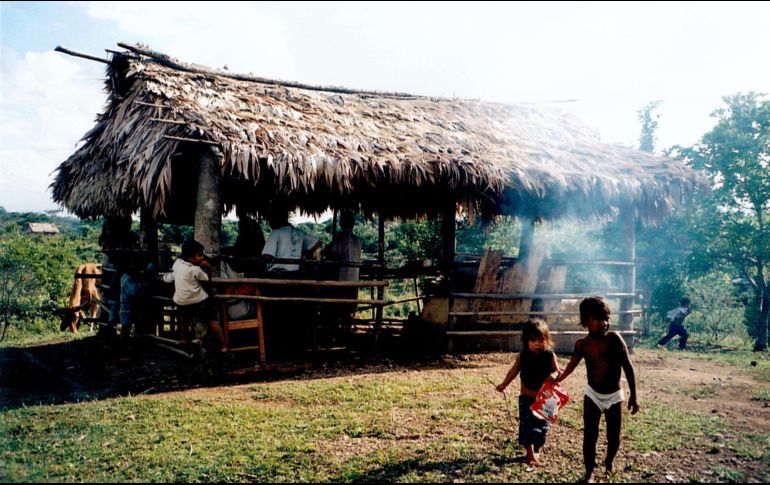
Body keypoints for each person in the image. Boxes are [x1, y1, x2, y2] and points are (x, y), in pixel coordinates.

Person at [555, 296, 639, 483]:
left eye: (607, 318)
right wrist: (558, 379)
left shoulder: (614, 339)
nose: (604, 323)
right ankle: (589, 472)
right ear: (586, 322)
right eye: (599, 319)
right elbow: (571, 366)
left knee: (614, 437)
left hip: (614, 396)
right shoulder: (582, 345)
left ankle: (609, 462)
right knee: (590, 435)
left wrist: (634, 395)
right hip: (592, 395)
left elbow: (628, 366)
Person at [496, 319, 560, 465]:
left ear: (547, 340)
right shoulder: (523, 356)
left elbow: (557, 371)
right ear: (526, 341)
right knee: (527, 426)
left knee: (543, 427)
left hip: (545, 400)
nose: (538, 343)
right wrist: (504, 384)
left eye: (541, 339)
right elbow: (513, 371)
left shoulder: (549, 355)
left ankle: (537, 449)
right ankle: (530, 454)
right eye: (533, 340)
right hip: (527, 397)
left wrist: (553, 376)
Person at [162, 240, 228, 352]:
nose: (202, 258)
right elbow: (207, 280)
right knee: (212, 321)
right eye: (200, 255)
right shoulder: (196, 269)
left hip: (182, 301)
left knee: (184, 321)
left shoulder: (177, 263)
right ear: (189, 258)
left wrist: (163, 278)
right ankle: (224, 345)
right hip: (199, 300)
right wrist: (209, 268)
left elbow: (172, 276)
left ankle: (185, 340)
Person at [261, 208, 321, 273]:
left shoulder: (275, 233)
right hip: (295, 273)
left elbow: (267, 256)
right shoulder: (300, 233)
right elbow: (317, 243)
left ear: (276, 218)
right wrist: (304, 254)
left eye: (270, 220)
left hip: (277, 273)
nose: (269, 224)